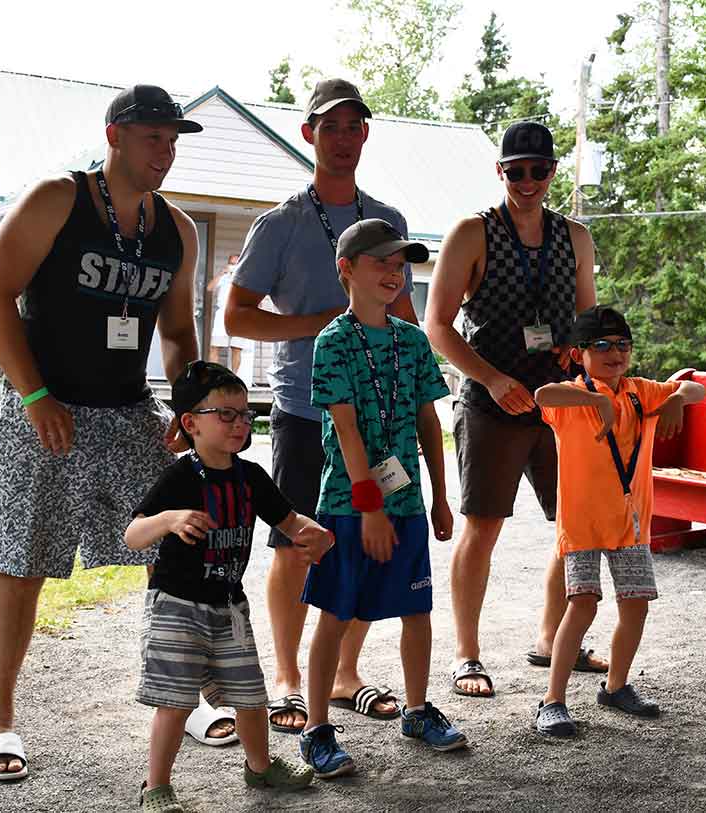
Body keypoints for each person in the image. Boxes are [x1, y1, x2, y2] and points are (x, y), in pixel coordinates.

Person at [0, 85, 202, 781]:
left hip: (130, 411)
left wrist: (188, 409)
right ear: (115, 134)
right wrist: (33, 392)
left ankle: (200, 693)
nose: (164, 151)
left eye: (172, 139)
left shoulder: (178, 229)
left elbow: (178, 329)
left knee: (185, 542)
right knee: (21, 564)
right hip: (49, 409)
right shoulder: (56, 198)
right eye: (152, 136)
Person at [226, 78, 422, 732]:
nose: (343, 139)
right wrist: (317, 322)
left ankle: (343, 673)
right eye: (330, 127)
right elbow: (238, 316)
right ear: (309, 134)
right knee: (296, 544)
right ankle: (286, 675)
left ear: (366, 134)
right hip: (304, 412)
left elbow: (405, 316)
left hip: (378, 418)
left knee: (373, 543)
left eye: (354, 127)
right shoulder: (279, 224)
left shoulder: (387, 221)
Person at [423, 121, 601, 699]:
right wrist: (493, 380)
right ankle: (466, 654)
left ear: (553, 173)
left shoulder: (574, 237)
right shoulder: (473, 233)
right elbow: (437, 326)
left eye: (539, 171)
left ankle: (554, 640)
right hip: (490, 400)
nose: (528, 181)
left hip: (557, 404)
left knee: (574, 526)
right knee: (483, 528)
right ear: (500, 172)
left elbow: (585, 319)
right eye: (516, 171)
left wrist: (585, 355)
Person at [298, 219, 466, 778]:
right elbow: (344, 431)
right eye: (382, 263)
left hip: (407, 502)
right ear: (347, 269)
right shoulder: (332, 342)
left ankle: (418, 711)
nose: (395, 274)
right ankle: (317, 729)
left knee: (416, 609)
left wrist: (440, 496)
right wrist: (369, 506)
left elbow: (427, 421)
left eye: (401, 265)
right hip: (350, 504)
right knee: (336, 613)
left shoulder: (412, 341)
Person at [124, 361, 332, 809]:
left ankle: (260, 769)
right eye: (226, 414)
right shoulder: (180, 476)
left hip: (229, 607)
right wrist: (169, 519)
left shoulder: (251, 476)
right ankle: (156, 786)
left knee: (251, 696)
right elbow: (133, 534)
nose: (239, 423)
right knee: (176, 702)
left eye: (245, 414)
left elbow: (289, 520)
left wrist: (316, 533)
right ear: (191, 423)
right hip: (176, 605)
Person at [533, 305, 705, 737]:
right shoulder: (571, 396)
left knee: (636, 606)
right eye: (602, 345)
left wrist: (677, 402)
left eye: (623, 344)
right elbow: (542, 396)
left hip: (630, 524)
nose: (615, 353)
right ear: (579, 354)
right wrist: (593, 399)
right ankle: (552, 701)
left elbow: (695, 390)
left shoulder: (639, 391)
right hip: (583, 524)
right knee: (583, 605)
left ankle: (616, 687)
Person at [207, 255, 253, 376]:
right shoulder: (223, 277)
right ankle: (213, 376)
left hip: (239, 314)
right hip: (222, 314)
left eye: (236, 264)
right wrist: (222, 273)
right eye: (231, 263)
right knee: (215, 346)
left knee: (236, 348)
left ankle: (234, 377)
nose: (233, 266)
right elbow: (209, 288)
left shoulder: (245, 277)